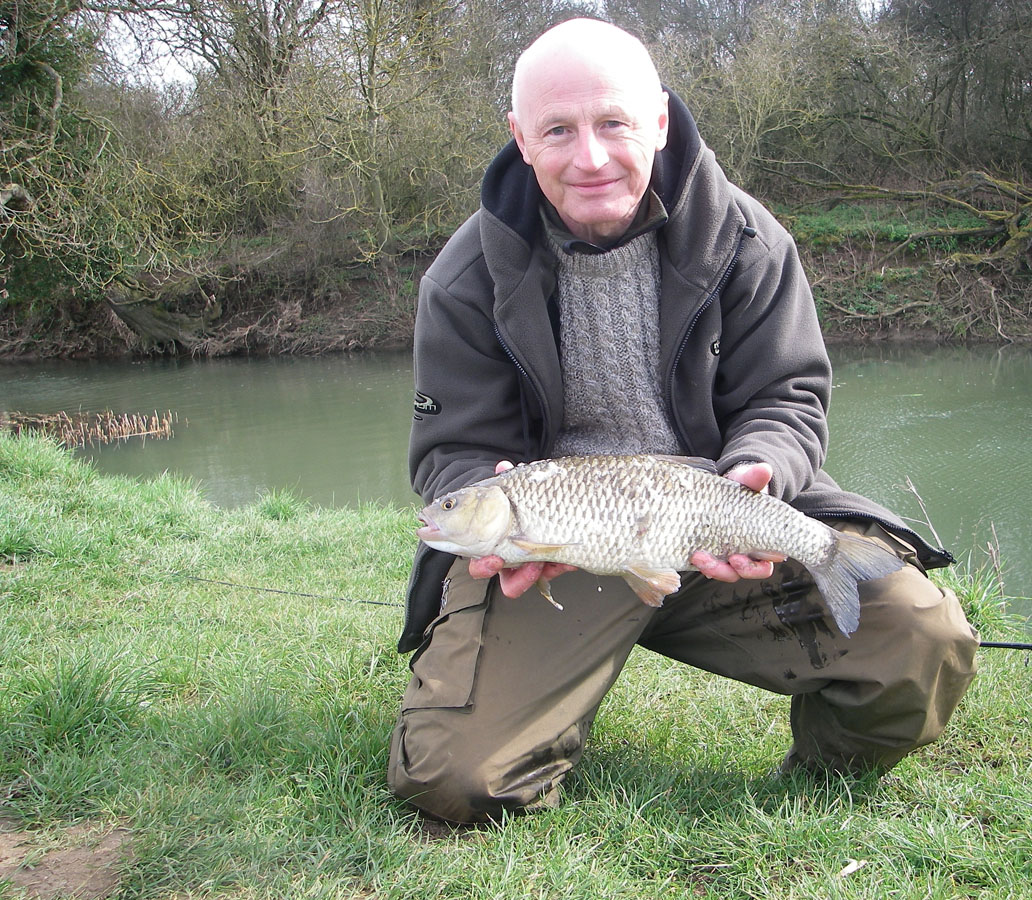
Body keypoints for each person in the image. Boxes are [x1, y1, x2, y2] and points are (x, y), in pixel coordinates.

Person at [389, 17, 978, 824]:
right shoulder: (463, 278)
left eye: (613, 123)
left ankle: (818, 777)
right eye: (557, 129)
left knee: (922, 640)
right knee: (456, 783)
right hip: (560, 565)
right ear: (520, 138)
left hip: (716, 523)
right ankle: (543, 696)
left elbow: (789, 396)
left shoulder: (748, 239)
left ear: (659, 120)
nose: (589, 156)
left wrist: (759, 469)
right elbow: (454, 448)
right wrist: (476, 500)